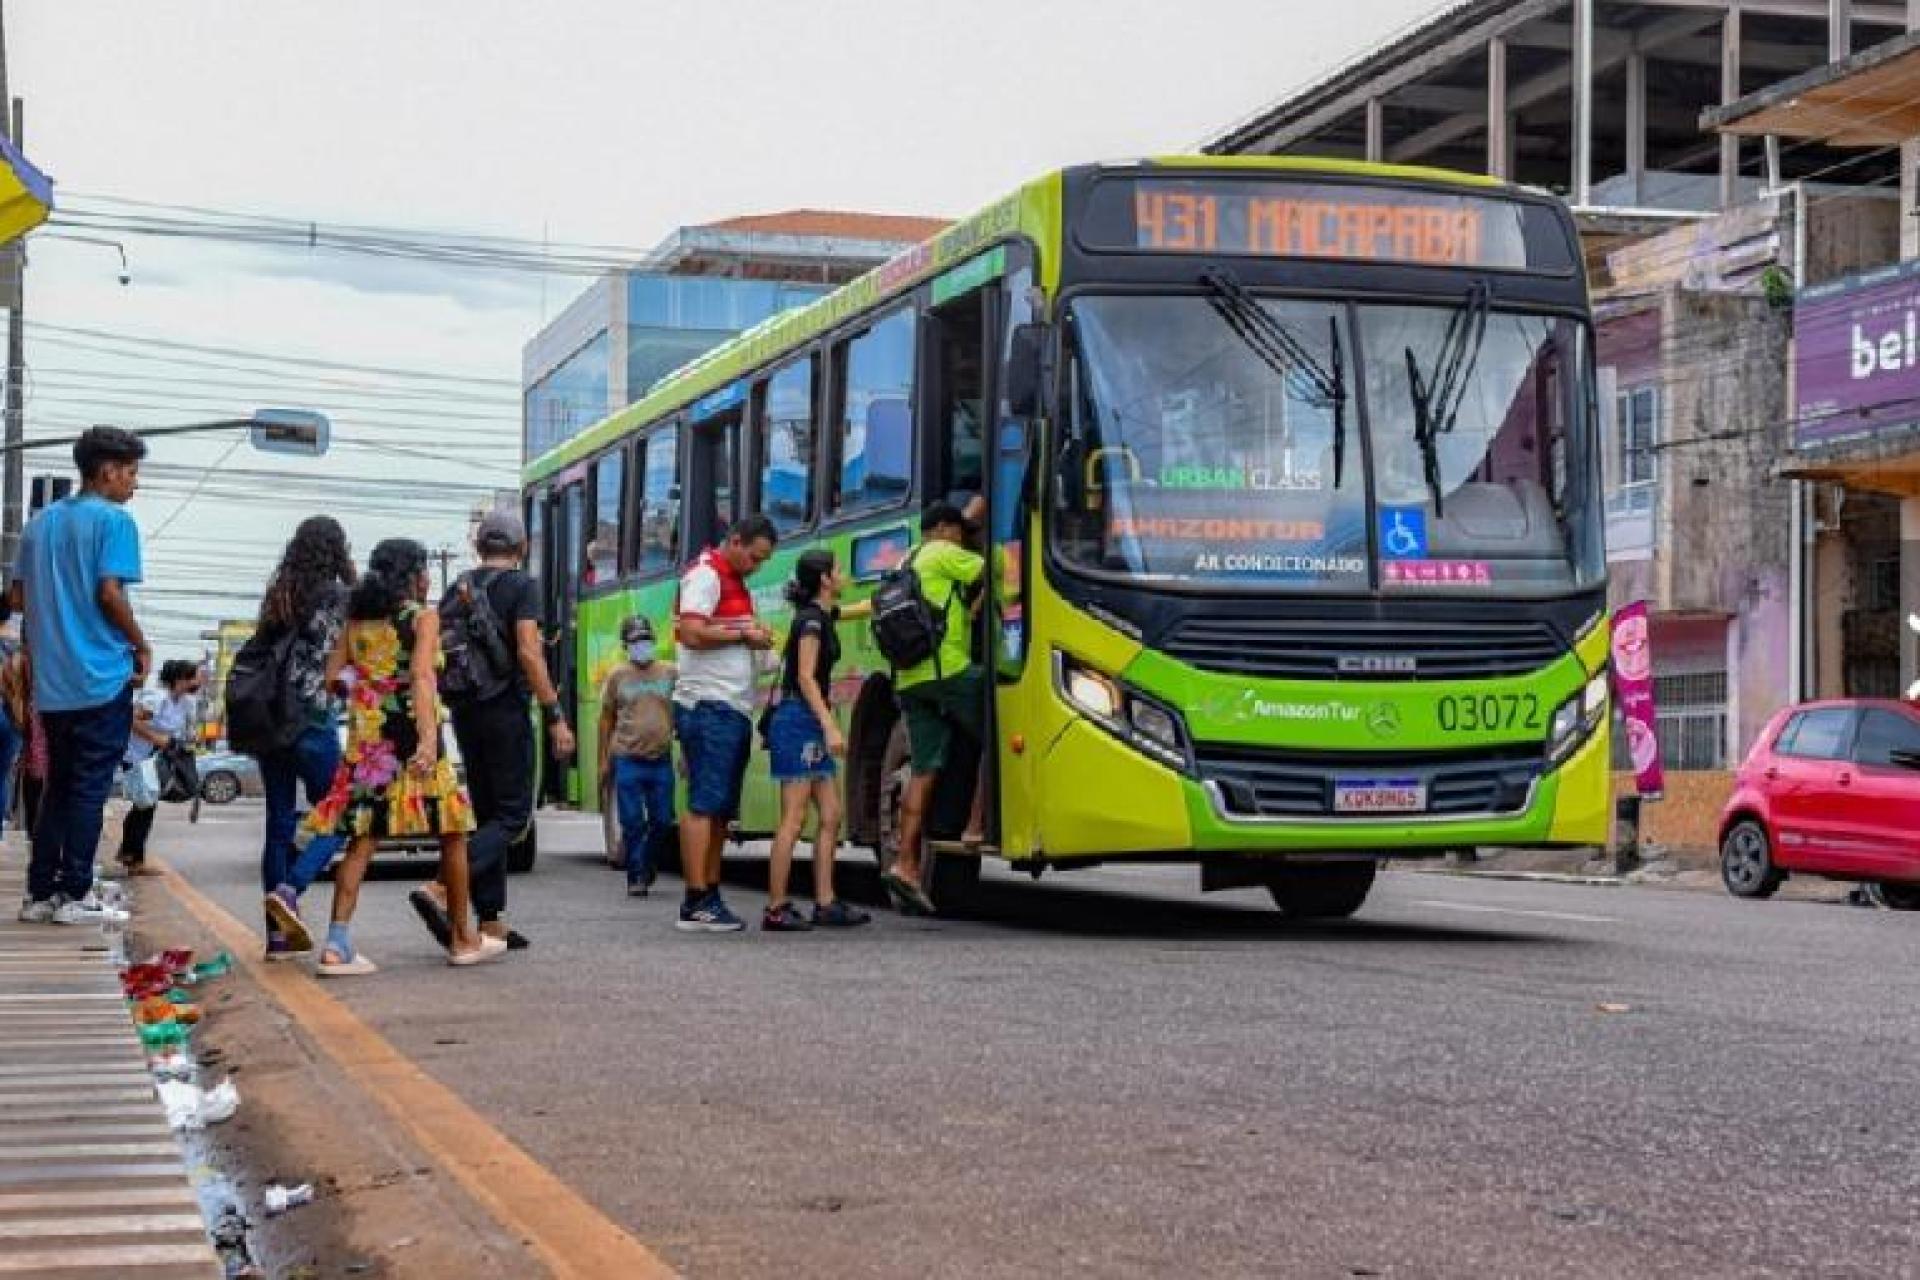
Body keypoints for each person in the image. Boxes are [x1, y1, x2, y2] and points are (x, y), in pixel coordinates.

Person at [299, 539, 498, 974]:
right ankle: (463, 939)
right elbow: (423, 676)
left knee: (361, 838)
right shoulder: (423, 618)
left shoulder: (356, 623)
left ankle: (336, 945)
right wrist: (428, 740)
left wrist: (370, 687)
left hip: (370, 744)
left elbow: (332, 678)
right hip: (413, 737)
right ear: (412, 576)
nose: (428, 578)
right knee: (452, 834)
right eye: (423, 569)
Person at [12, 426, 149, 925]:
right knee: (90, 788)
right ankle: (76, 895)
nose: (134, 485)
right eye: (131, 473)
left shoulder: (38, 525)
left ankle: (40, 893)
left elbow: (18, 600)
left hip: (53, 685)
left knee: (59, 788)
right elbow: (110, 594)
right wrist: (140, 643)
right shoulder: (115, 522)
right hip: (101, 677)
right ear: (108, 470)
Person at [433, 510, 574, 953]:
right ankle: (440, 885)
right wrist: (555, 713)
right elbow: (531, 654)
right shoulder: (521, 586)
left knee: (488, 813)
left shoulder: (455, 591)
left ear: (479, 548)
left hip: (465, 712)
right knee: (513, 816)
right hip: (505, 709)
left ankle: (491, 921)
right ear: (521, 548)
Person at [256, 517, 357, 960]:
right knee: (342, 814)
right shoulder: (340, 597)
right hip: (313, 720)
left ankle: (277, 936)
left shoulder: (278, 593)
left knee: (279, 823)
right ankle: (291, 888)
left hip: (269, 721)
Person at [883, 497, 988, 916]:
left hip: (910, 679)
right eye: (962, 533)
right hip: (950, 673)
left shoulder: (904, 560)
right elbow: (1000, 572)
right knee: (997, 731)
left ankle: (905, 863)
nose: (964, 540)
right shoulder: (945, 553)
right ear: (946, 529)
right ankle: (974, 826)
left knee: (924, 771)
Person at [672, 513, 777, 932]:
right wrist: (742, 637)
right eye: (753, 557)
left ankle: (710, 892)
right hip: (708, 704)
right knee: (704, 805)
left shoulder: (733, 580)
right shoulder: (706, 575)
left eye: (762, 561)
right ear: (734, 541)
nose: (756, 566)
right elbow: (691, 632)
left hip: (730, 706)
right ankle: (696, 898)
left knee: (719, 810)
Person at [762, 550, 871, 931]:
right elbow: (806, 677)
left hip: (809, 718)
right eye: (838, 570)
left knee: (831, 815)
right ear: (825, 579)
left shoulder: (821, 615)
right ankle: (776, 907)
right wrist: (829, 725)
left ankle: (826, 902)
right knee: (794, 818)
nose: (842, 575)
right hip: (800, 721)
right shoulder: (810, 622)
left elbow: (850, 610)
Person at [599, 616, 676, 897]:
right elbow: (606, 719)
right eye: (635, 642)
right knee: (632, 822)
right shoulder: (618, 676)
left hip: (661, 759)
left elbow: (681, 713)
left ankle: (646, 862)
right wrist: (603, 760)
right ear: (625, 646)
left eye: (645, 640)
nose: (641, 646)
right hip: (627, 758)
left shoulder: (670, 673)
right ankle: (636, 876)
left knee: (663, 820)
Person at [116, 659, 202, 876]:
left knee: (145, 805)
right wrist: (157, 739)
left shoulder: (182, 702)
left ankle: (130, 855)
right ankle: (133, 859)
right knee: (145, 804)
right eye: (193, 678)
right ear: (179, 680)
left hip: (156, 760)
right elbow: (130, 721)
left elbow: (178, 730)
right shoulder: (157, 698)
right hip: (138, 757)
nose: (197, 682)